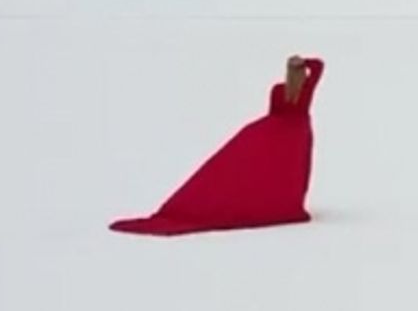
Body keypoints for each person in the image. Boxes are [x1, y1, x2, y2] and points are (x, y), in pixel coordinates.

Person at [110, 55, 325, 236]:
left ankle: (280, 201)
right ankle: (281, 202)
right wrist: (304, 63)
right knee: (280, 169)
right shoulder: (294, 89)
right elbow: (317, 67)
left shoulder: (286, 90)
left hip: (283, 131)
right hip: (287, 131)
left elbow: (316, 68)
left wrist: (299, 63)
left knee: (275, 168)